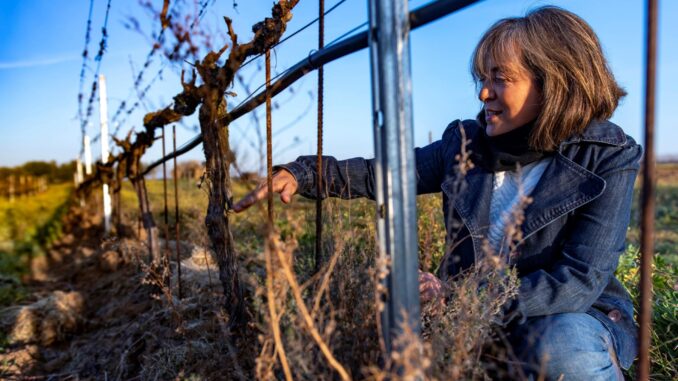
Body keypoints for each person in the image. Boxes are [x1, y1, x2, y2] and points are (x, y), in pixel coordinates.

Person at [233, 6, 640, 380]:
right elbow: (385, 175)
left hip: (572, 317)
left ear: (553, 82)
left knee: (564, 346)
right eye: (483, 79)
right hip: (476, 321)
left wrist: (460, 296)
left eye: (500, 78)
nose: (484, 93)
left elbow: (578, 280)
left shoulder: (607, 156)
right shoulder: (466, 144)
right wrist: (301, 173)